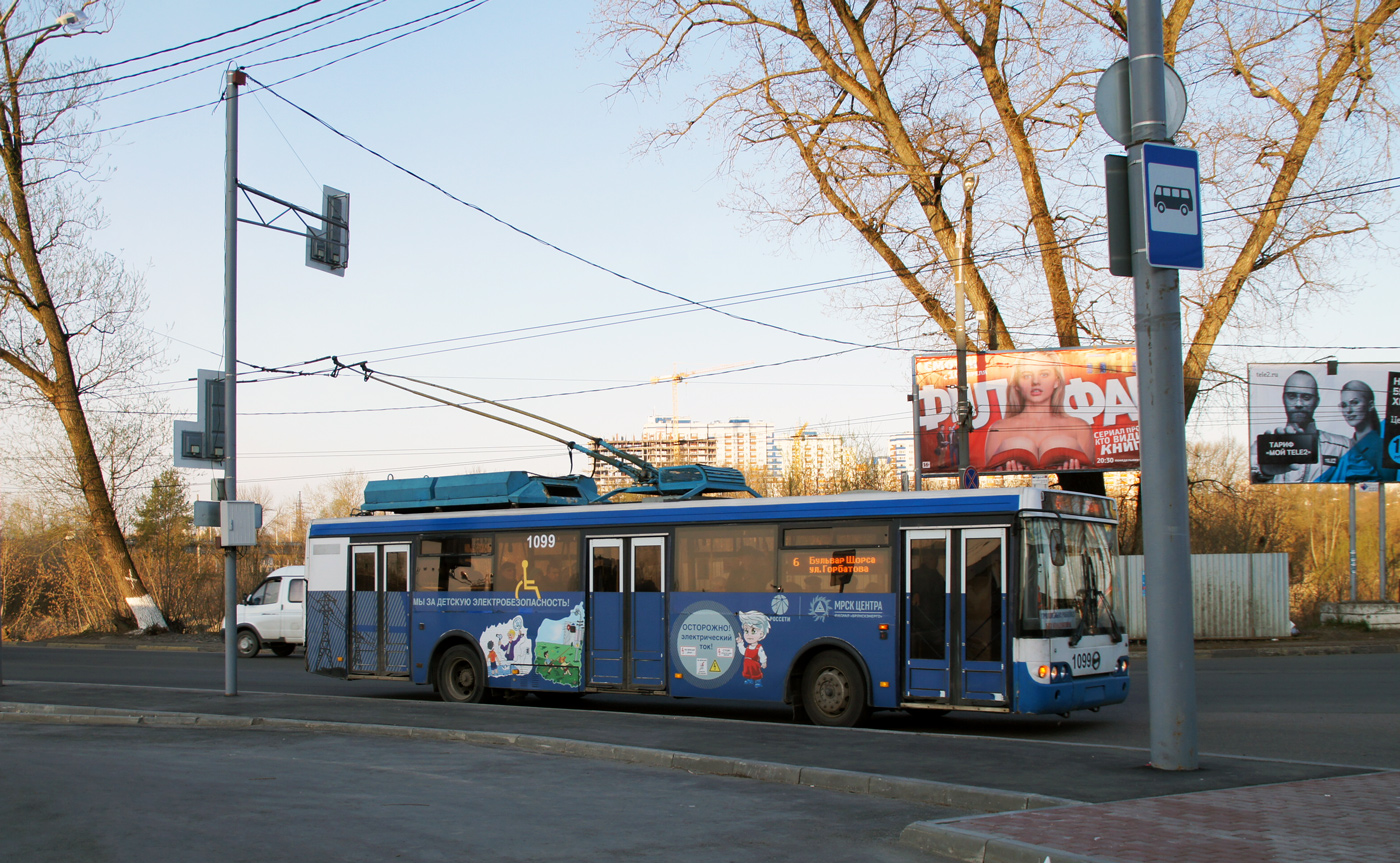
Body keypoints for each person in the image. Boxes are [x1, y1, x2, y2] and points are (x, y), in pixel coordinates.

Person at [983, 353, 1095, 472]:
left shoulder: (1080, 427)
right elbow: (988, 477)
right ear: (1016, 384)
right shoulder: (998, 429)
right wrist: (1009, 478)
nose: (1035, 381)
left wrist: (1074, 476)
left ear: (1057, 381)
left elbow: (1092, 477)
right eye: (1026, 376)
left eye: (1044, 374)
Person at [1252, 370, 1350, 483]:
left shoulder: (1342, 447)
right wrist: (1264, 472)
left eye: (1306, 397)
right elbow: (1245, 480)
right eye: (1292, 396)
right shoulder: (1261, 447)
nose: (1298, 404)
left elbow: (1358, 481)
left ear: (1317, 401)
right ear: (1284, 399)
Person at [1314, 380, 1397, 483]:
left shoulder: (1385, 448)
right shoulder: (1343, 446)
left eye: (1354, 403)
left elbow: (1387, 486)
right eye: (1344, 405)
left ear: (1370, 405)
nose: (1348, 410)